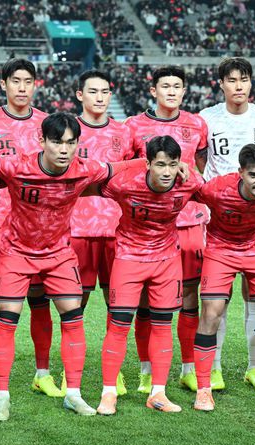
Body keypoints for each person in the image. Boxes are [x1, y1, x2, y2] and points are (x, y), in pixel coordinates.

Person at [0, 112, 148, 419]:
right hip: (16, 252)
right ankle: (2, 398)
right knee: (7, 319)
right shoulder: (17, 166)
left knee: (73, 318)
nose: (64, 150)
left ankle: (73, 394)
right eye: (57, 142)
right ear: (41, 140)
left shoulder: (85, 168)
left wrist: (153, 162)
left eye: (70, 143)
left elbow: (121, 166)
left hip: (58, 254)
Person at [96, 136, 203, 415]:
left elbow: (211, 191)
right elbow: (92, 180)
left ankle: (158, 393)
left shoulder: (189, 182)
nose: (166, 172)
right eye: (160, 165)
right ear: (148, 164)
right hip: (129, 258)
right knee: (119, 324)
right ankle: (108, 393)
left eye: (172, 165)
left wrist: (189, 169)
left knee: (162, 324)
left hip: (167, 260)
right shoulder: (123, 184)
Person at [0, 58, 58, 401]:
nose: (22, 87)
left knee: (40, 302)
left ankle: (42, 374)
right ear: (3, 84)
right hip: (1, 223)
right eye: (15, 81)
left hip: (41, 229)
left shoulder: (46, 124)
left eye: (28, 81)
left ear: (35, 85)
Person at [192, 143, 255, 411]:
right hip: (221, 249)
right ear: (241, 172)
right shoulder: (216, 189)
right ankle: (203, 390)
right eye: (253, 175)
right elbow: (188, 189)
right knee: (211, 313)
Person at [197, 57, 255, 390]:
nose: (238, 86)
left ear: (251, 82)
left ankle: (253, 367)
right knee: (218, 300)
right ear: (221, 84)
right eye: (231, 80)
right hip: (217, 221)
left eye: (244, 79)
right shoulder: (207, 118)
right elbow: (200, 159)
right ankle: (214, 368)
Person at [124, 66, 209, 393]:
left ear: (184, 91)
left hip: (188, 221)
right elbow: (127, 168)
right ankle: (146, 370)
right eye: (165, 86)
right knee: (147, 300)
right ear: (153, 90)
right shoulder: (134, 126)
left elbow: (200, 169)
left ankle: (188, 367)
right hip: (148, 224)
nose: (171, 91)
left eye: (177, 86)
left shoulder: (197, 124)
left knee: (189, 296)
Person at [70, 69, 135, 395]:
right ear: (80, 95)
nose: (99, 97)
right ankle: (72, 371)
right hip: (76, 229)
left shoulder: (124, 132)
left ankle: (115, 371)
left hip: (116, 230)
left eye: (105, 91)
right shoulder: (68, 129)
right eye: (92, 91)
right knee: (73, 305)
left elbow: (135, 171)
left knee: (117, 305)